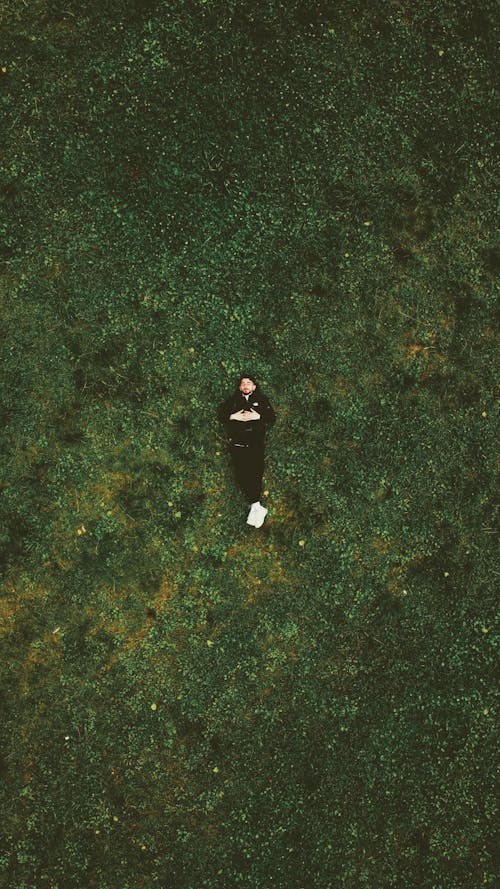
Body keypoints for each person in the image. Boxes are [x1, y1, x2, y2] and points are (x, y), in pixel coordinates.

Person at [218, 373, 276, 527]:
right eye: (243, 383)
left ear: (254, 387)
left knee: (255, 474)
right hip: (238, 444)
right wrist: (233, 416)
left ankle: (256, 506)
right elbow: (221, 415)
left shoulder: (262, 400)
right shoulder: (233, 401)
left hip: (255, 444)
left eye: (248, 383)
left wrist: (257, 417)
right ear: (239, 387)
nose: (245, 385)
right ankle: (256, 506)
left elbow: (272, 418)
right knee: (241, 475)